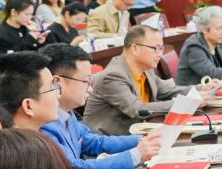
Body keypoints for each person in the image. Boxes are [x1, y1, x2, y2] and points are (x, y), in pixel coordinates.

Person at [0, 51, 182, 169]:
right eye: (52, 87)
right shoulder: (12, 155)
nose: (58, 93)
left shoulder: (31, 138)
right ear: (28, 106)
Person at [39, 43, 159, 169]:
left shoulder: (67, 113)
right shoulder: (44, 125)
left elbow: (94, 142)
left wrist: (143, 140)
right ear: (57, 83)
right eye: (86, 81)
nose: (90, 89)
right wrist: (135, 155)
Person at [84, 25, 215, 135]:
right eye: (155, 48)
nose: (160, 54)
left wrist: (201, 88)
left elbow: (168, 91)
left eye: (161, 48)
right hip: (111, 144)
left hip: (143, 134)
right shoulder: (113, 76)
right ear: (135, 48)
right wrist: (186, 103)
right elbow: (137, 109)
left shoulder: (145, 69)